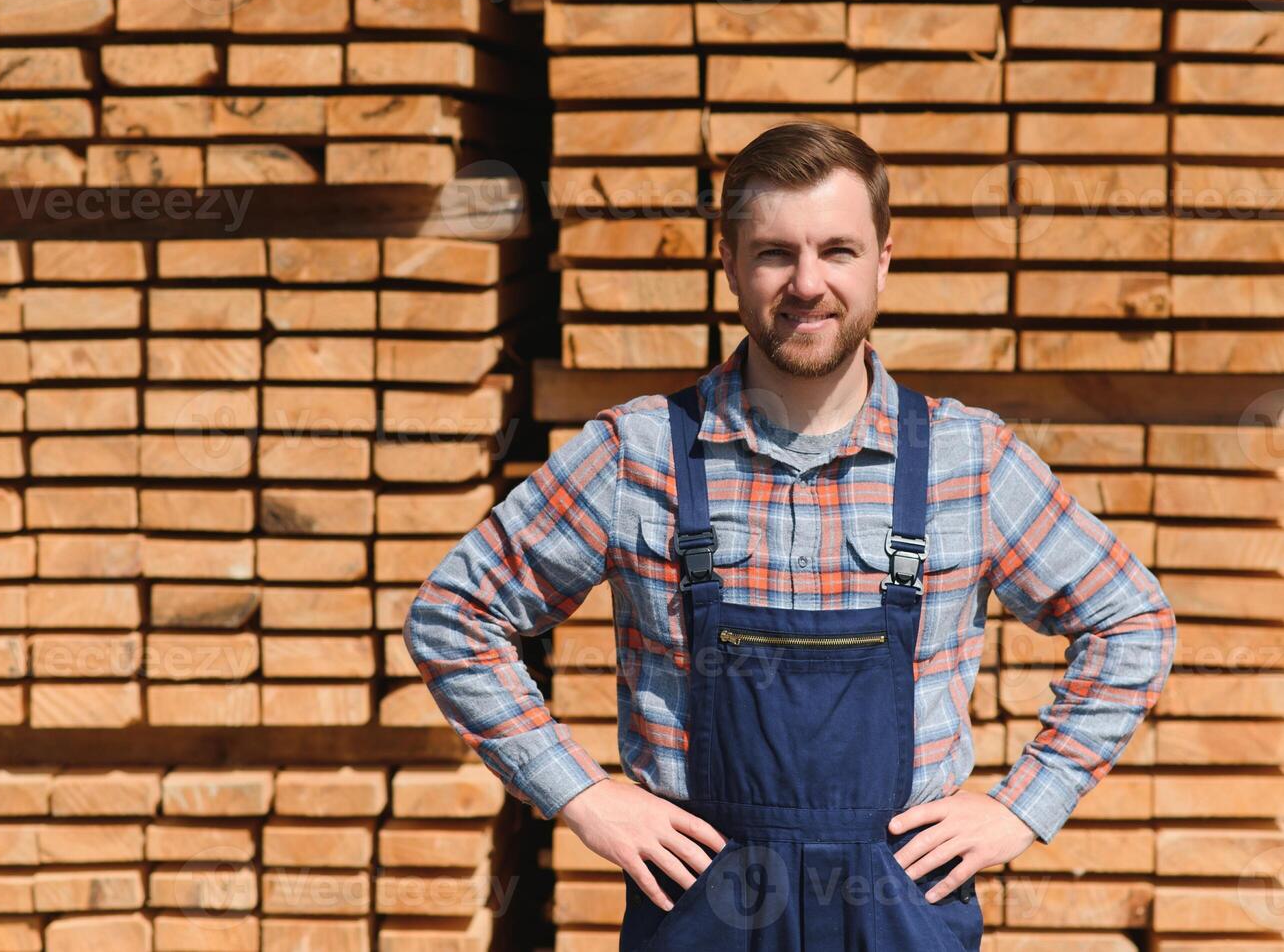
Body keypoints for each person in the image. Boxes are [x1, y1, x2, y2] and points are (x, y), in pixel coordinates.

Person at [403, 119, 1176, 950]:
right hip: (704, 906)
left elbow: (1131, 621)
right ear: (729, 263)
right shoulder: (639, 454)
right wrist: (582, 795)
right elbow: (454, 615)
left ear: (883, 258)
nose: (808, 283)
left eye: (838, 250)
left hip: (901, 904)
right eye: (775, 252)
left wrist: (1025, 803)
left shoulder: (968, 459)